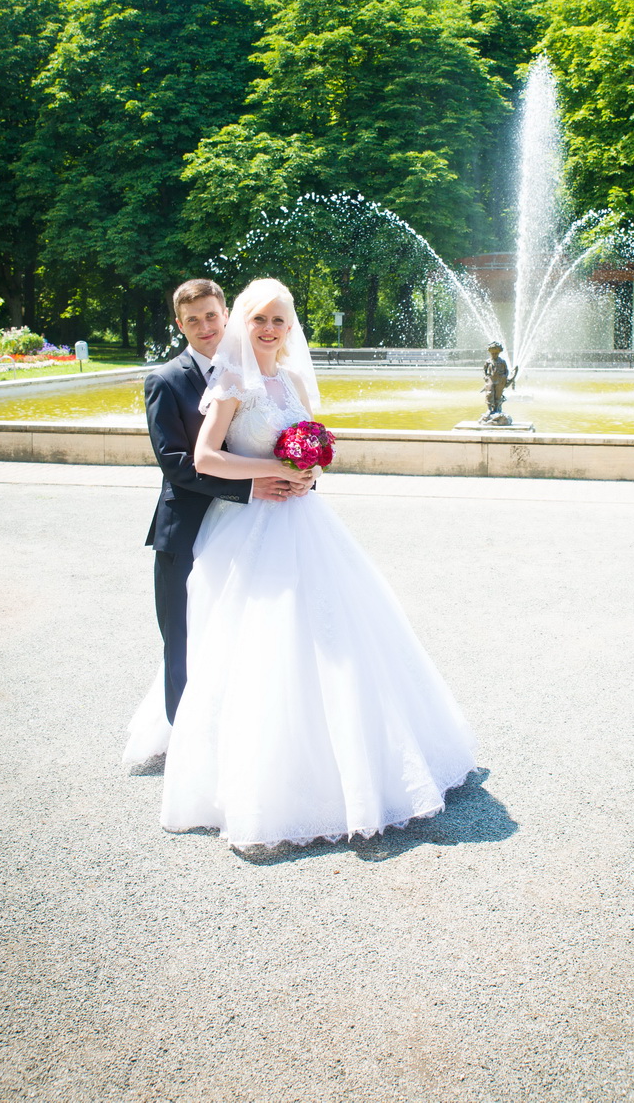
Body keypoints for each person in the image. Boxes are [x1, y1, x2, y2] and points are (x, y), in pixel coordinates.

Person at [159, 277, 476, 849]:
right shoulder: (231, 380)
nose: (270, 329)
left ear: (290, 326)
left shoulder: (295, 380)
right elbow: (205, 457)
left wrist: (309, 470)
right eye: (259, 320)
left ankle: (352, 760)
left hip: (304, 520)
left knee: (335, 634)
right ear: (243, 323)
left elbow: (309, 440)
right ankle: (256, 772)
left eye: (280, 320)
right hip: (250, 524)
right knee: (259, 644)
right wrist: (265, 479)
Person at [141, 278, 311, 725]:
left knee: (264, 630)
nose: (205, 326)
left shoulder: (271, 372)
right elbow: (178, 463)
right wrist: (252, 486)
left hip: (266, 516)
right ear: (181, 325)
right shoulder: (166, 380)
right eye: (193, 319)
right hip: (189, 524)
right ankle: (185, 738)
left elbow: (294, 443)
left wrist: (304, 476)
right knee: (185, 634)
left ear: (225, 316)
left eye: (212, 316)